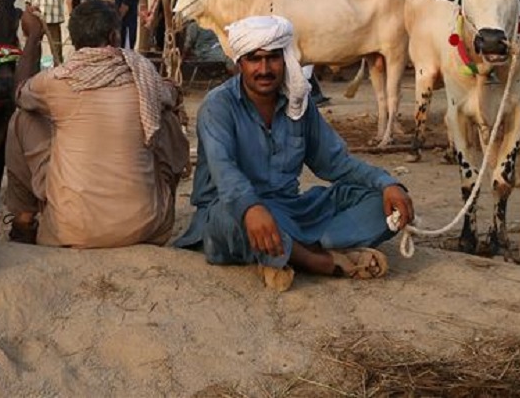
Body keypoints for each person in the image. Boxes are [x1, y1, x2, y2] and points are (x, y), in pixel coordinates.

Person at [175, 15, 415, 291]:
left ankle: (284, 250)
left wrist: (387, 184)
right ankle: (318, 261)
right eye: (254, 58)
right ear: (239, 64)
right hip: (231, 208)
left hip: (289, 210)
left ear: (284, 60)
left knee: (382, 204)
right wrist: (251, 208)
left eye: (273, 58)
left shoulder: (298, 103)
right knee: (228, 219)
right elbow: (224, 172)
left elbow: (335, 163)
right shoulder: (218, 106)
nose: (264, 68)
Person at [5, 0, 189, 248]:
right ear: (114, 37)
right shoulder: (143, 74)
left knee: (22, 118)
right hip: (145, 227)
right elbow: (173, 95)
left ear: (75, 39)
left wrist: (34, 36)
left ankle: (24, 220)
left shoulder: (54, 82)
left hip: (73, 230)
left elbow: (19, 93)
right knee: (166, 118)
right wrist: (165, 88)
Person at [282, 0, 330, 108]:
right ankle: (310, 95)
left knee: (298, 62)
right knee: (304, 63)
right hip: (301, 27)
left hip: (287, 27)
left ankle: (314, 94)